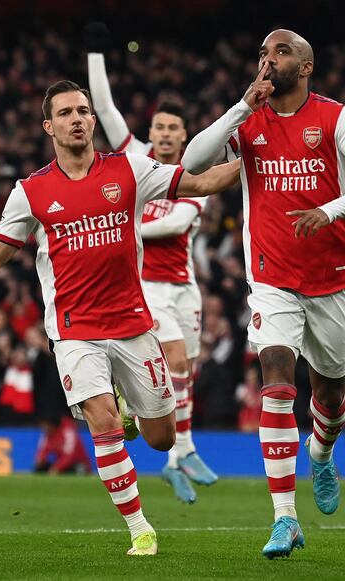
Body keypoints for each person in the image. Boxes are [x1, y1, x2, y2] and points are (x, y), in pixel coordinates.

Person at [0, 80, 240, 555]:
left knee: (160, 438)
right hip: (74, 331)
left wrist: (260, 156)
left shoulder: (131, 170)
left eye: (84, 111)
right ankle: (140, 529)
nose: (77, 118)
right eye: (66, 112)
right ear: (49, 126)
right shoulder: (31, 192)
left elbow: (203, 182)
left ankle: (132, 410)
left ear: (93, 121)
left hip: (133, 325)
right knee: (101, 420)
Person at [182, 29, 345, 558]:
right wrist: (237, 108)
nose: (266, 60)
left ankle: (320, 453)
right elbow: (191, 162)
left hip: (331, 280)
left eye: (279, 53)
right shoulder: (248, 119)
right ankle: (284, 519)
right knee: (275, 377)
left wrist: (330, 210)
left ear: (305, 67)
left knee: (329, 394)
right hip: (271, 277)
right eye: (261, 53)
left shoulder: (336, 117)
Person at [86, 22, 218, 505]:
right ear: (152, 133)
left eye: (173, 129)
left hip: (185, 287)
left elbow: (174, 225)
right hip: (146, 285)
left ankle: (176, 454)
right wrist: (96, 51)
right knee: (177, 359)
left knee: (187, 371)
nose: (164, 134)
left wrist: (115, 224)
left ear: (184, 137)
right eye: (158, 127)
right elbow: (104, 107)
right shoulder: (136, 158)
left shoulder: (191, 176)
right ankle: (172, 443)